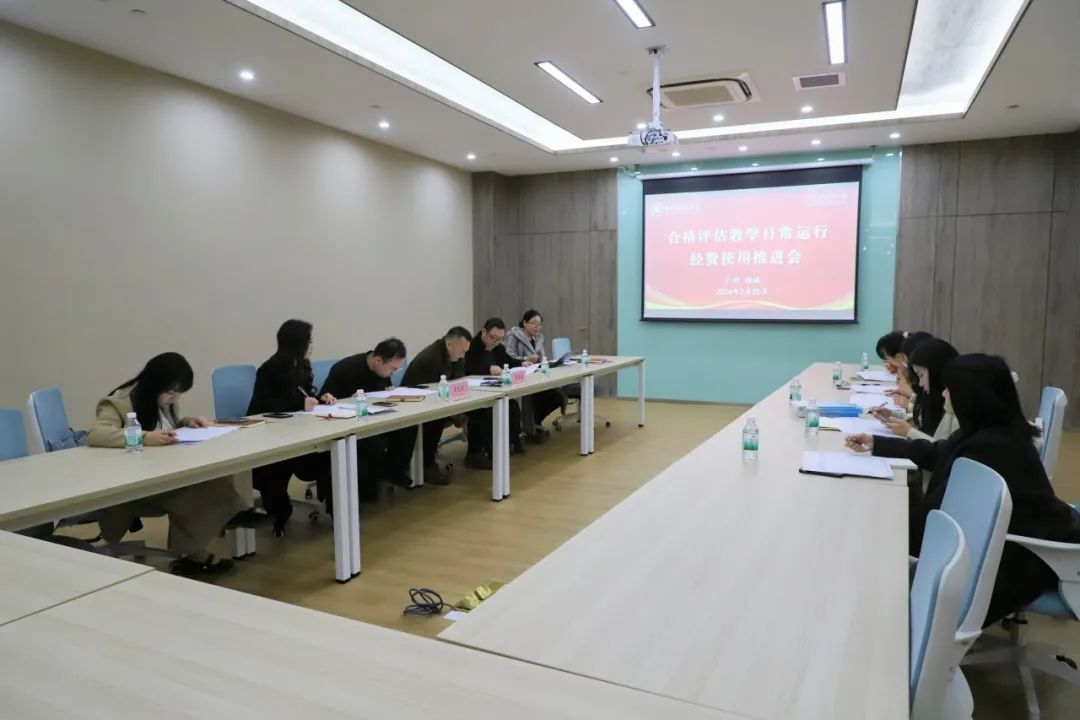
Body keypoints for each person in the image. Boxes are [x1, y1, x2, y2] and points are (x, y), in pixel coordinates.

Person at [847, 354, 1080, 625]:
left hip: (1022, 558)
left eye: (950, 388)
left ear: (970, 396)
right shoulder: (989, 431)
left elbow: (941, 511)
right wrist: (877, 444)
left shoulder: (992, 446)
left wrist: (884, 517)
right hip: (1008, 540)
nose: (943, 394)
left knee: (879, 564)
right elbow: (938, 453)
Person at [87, 352, 248, 577]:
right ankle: (196, 554)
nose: (175, 398)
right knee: (201, 488)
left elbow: (165, 427)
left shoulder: (163, 400)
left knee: (214, 477)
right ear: (155, 383)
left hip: (162, 471)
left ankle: (199, 546)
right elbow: (97, 434)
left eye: (179, 393)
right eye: (171, 392)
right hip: (135, 482)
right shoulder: (118, 402)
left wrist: (187, 422)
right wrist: (144, 437)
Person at [247, 319, 334, 537]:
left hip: (299, 430)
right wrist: (300, 404)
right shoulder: (269, 369)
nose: (312, 346)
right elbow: (263, 406)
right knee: (275, 469)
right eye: (309, 341)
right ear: (298, 343)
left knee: (329, 454)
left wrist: (320, 399)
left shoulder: (302, 365)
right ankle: (279, 512)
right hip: (272, 435)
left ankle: (335, 506)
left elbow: (304, 394)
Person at [319, 338, 408, 501]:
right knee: (373, 443)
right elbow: (325, 399)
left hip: (371, 419)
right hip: (344, 424)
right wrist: (347, 399)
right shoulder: (346, 368)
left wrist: (387, 392)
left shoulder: (381, 370)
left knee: (405, 429)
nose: (393, 374)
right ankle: (358, 493)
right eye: (393, 369)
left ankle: (391, 473)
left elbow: (379, 392)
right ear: (379, 360)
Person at [385, 326, 472, 485]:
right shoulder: (430, 358)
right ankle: (425, 465)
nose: (463, 355)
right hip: (413, 404)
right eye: (462, 351)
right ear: (449, 344)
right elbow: (432, 393)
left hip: (435, 403)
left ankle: (429, 463)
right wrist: (456, 415)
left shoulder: (457, 357)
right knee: (435, 420)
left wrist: (460, 413)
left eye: (466, 351)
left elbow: (457, 383)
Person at [464, 318, 525, 467]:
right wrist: (487, 369)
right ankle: (477, 453)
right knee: (485, 412)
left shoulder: (497, 347)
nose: (496, 342)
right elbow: (467, 368)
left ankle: (509, 443)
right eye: (493, 338)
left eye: (500, 339)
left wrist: (522, 363)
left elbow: (508, 361)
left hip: (491, 390)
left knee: (512, 407)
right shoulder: (471, 347)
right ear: (483, 332)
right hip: (473, 394)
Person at [876, 338, 959, 442]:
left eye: (921, 375)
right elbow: (921, 421)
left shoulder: (953, 408)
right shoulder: (935, 398)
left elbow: (940, 448)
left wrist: (909, 432)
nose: (920, 383)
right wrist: (892, 415)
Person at [503, 310, 563, 440]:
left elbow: (542, 359)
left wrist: (546, 363)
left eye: (539, 324)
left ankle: (534, 422)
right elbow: (507, 358)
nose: (537, 327)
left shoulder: (538, 338)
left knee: (557, 396)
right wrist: (526, 359)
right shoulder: (513, 337)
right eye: (534, 323)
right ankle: (528, 428)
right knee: (535, 397)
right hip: (519, 378)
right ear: (524, 323)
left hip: (536, 377)